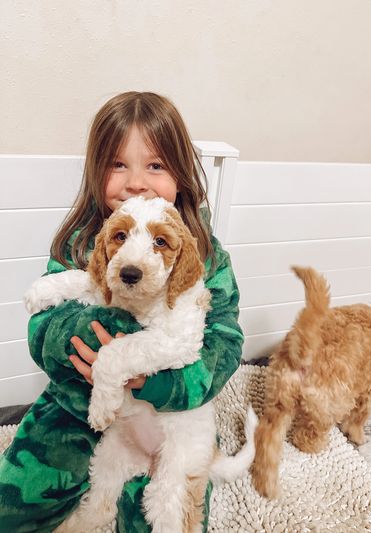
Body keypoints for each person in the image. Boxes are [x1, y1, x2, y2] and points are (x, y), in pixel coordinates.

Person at [0, 92, 244, 532]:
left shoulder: (205, 255)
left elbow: (224, 342)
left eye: (155, 165)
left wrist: (158, 381)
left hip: (166, 413)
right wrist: (95, 339)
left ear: (181, 174)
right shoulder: (80, 241)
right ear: (96, 172)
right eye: (118, 164)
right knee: (13, 503)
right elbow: (42, 334)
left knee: (166, 514)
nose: (136, 183)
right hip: (75, 406)